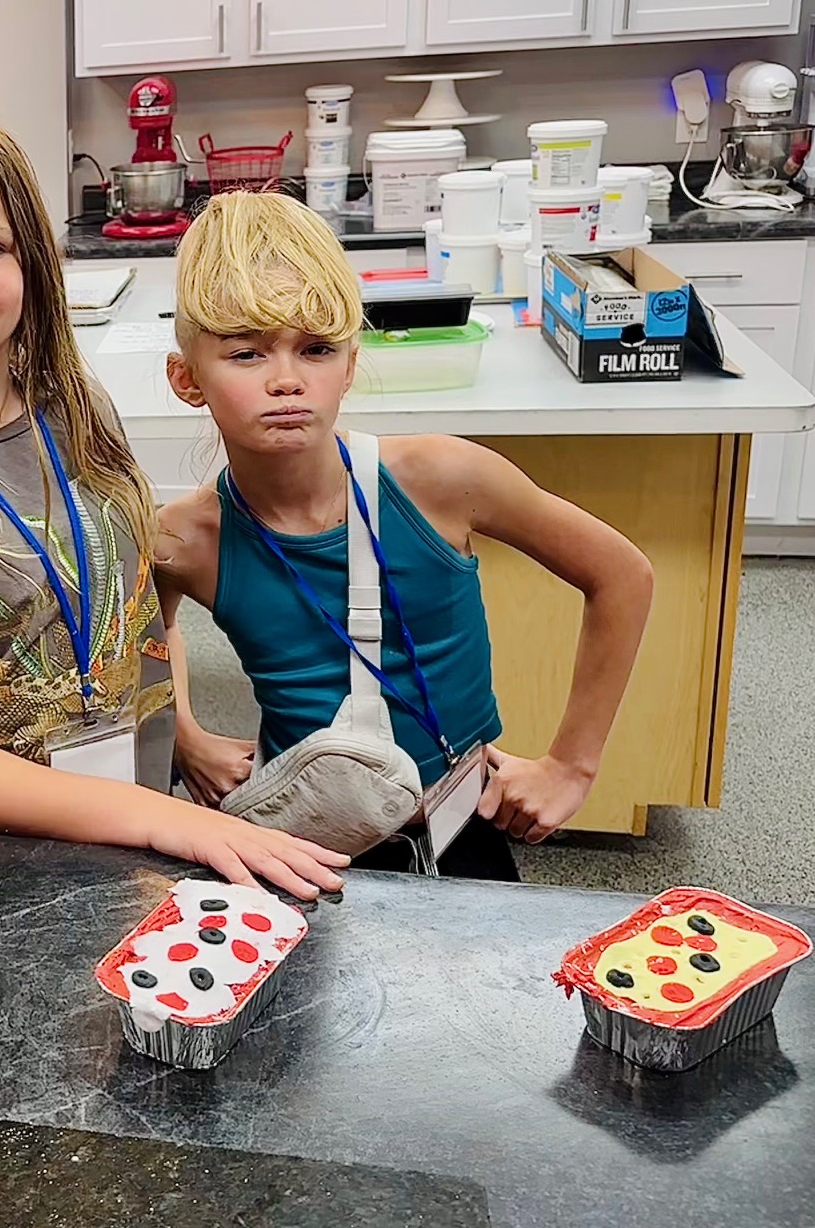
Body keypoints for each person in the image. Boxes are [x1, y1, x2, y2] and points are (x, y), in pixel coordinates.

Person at [0, 110, 348, 900]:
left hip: (132, 840)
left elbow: (126, 600)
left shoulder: (77, 411)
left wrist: (178, 738)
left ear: (33, 265)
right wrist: (168, 822)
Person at [154, 191, 654, 878]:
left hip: (457, 819)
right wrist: (185, 733)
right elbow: (150, 628)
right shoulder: (185, 538)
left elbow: (622, 574)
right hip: (302, 830)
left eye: (317, 349)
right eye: (246, 354)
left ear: (351, 366)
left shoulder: (441, 479)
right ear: (187, 379)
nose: (287, 380)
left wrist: (571, 762)